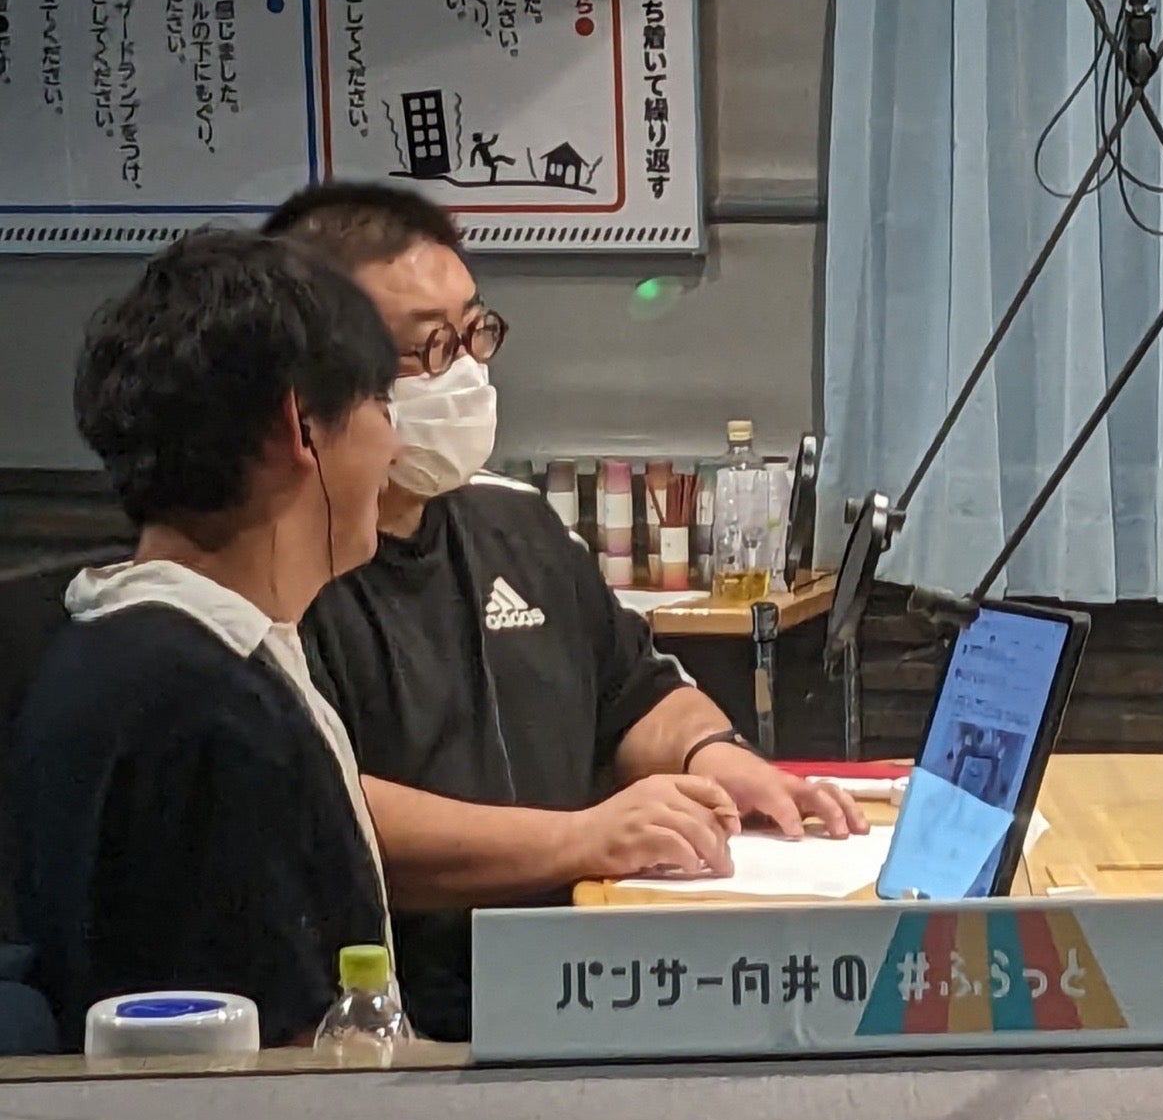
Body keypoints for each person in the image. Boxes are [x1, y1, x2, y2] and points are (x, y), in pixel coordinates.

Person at [261, 183, 867, 1042]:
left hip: (590, 971)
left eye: (473, 333)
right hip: (414, 1022)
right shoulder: (288, 572)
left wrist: (715, 754)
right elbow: (329, 811)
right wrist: (584, 837)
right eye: (429, 349)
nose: (466, 374)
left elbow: (635, 688)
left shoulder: (515, 523)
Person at [8, 231, 400, 1047]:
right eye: (381, 405)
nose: (394, 444)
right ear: (299, 425)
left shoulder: (116, 641)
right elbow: (276, 1058)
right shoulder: (211, 708)